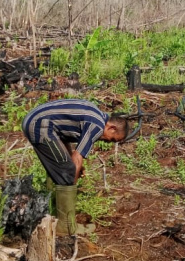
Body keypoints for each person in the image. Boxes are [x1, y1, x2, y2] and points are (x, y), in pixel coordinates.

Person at [21, 98, 128, 235]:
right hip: (39, 125)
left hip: (35, 121)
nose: (109, 142)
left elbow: (63, 138)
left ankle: (52, 211)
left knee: (61, 166)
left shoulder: (96, 116)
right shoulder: (97, 126)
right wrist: (72, 181)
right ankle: (65, 227)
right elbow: (77, 158)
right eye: (112, 139)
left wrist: (71, 166)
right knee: (67, 171)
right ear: (111, 128)